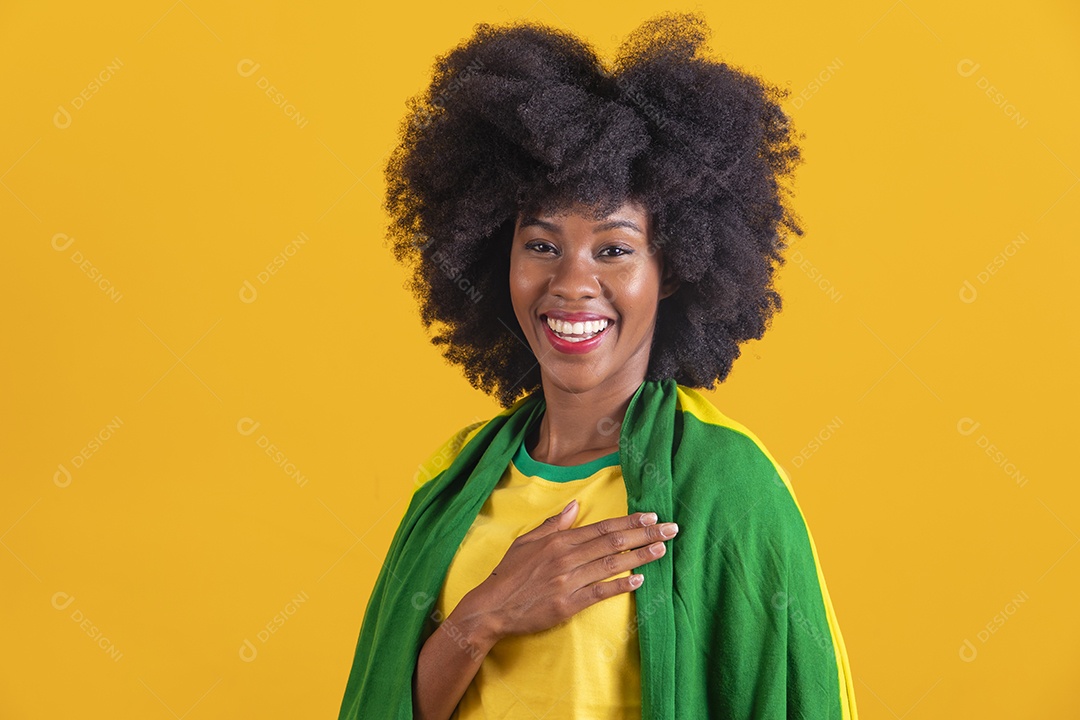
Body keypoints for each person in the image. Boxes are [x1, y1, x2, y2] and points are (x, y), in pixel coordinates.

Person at [338, 11, 858, 720]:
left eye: (613, 249)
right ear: (500, 257)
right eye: (542, 245)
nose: (572, 284)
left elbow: (792, 699)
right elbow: (387, 705)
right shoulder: (456, 478)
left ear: (670, 269)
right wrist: (484, 613)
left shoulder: (729, 484)